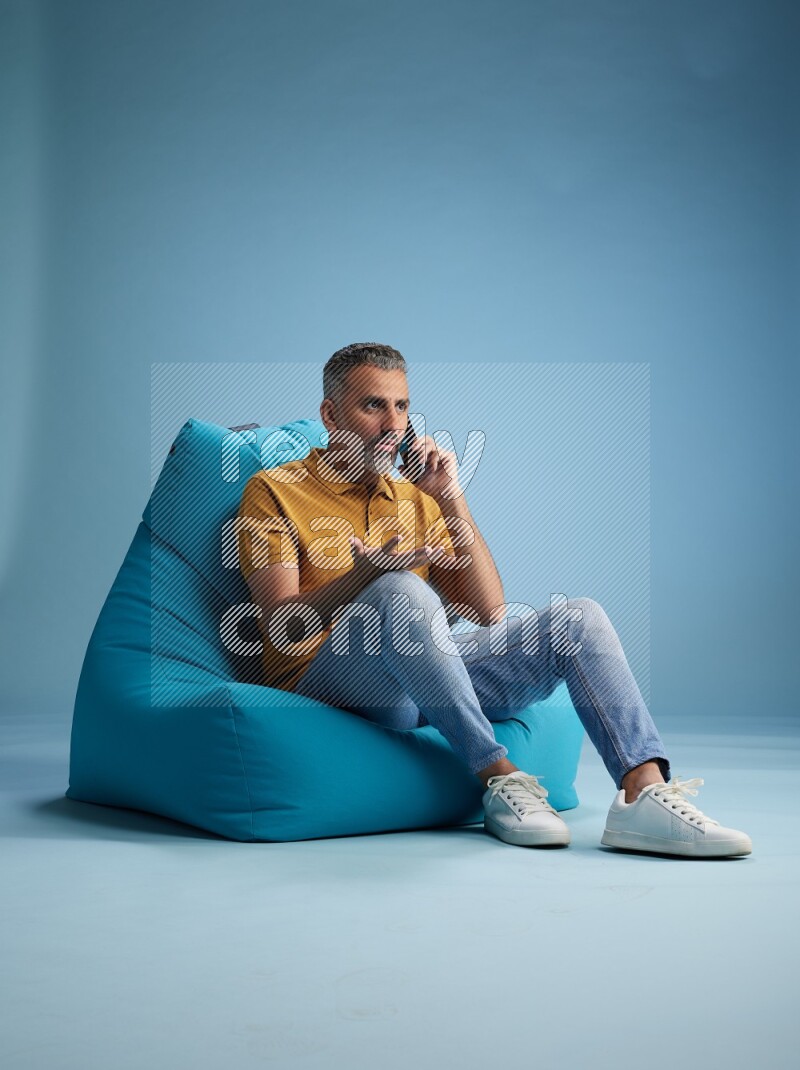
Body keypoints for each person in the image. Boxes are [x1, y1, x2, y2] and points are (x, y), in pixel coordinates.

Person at [235, 342, 752, 858]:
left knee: (580, 619)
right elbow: (282, 625)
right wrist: (364, 578)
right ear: (330, 415)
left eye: (402, 406)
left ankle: (643, 791)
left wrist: (449, 496)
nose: (392, 424)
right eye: (373, 406)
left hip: (421, 681)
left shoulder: (415, 498)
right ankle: (499, 776)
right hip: (327, 683)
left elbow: (487, 612)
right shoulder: (274, 489)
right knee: (399, 589)